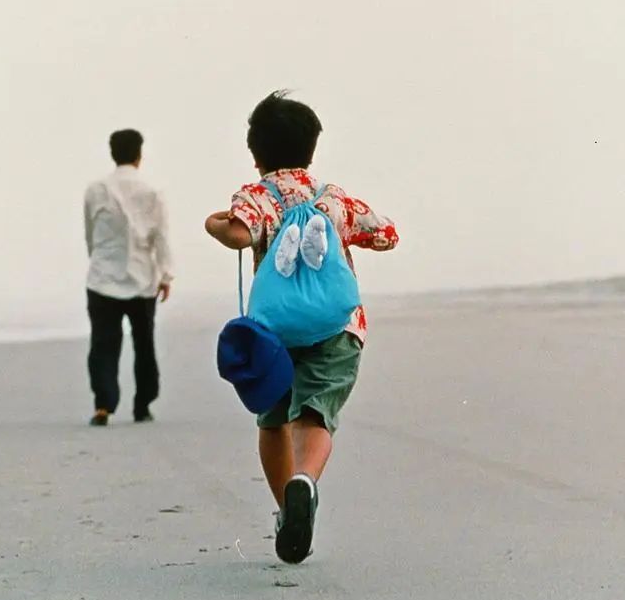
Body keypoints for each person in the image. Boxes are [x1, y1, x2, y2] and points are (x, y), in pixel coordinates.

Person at [204, 91, 399, 563]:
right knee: (315, 413)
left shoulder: (256, 197)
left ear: (255, 154)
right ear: (312, 149)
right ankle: (304, 480)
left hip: (275, 334)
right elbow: (386, 235)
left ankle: (285, 509)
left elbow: (237, 234)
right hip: (336, 326)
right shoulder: (333, 198)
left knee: (273, 422)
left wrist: (212, 224)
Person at [84, 129, 173, 426]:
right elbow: (161, 237)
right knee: (144, 344)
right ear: (139, 155)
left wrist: (97, 260)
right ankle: (143, 405)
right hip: (142, 277)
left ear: (112, 153)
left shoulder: (96, 190)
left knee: (103, 344)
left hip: (102, 278)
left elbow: (90, 234)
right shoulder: (152, 191)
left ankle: (103, 404)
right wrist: (166, 275)